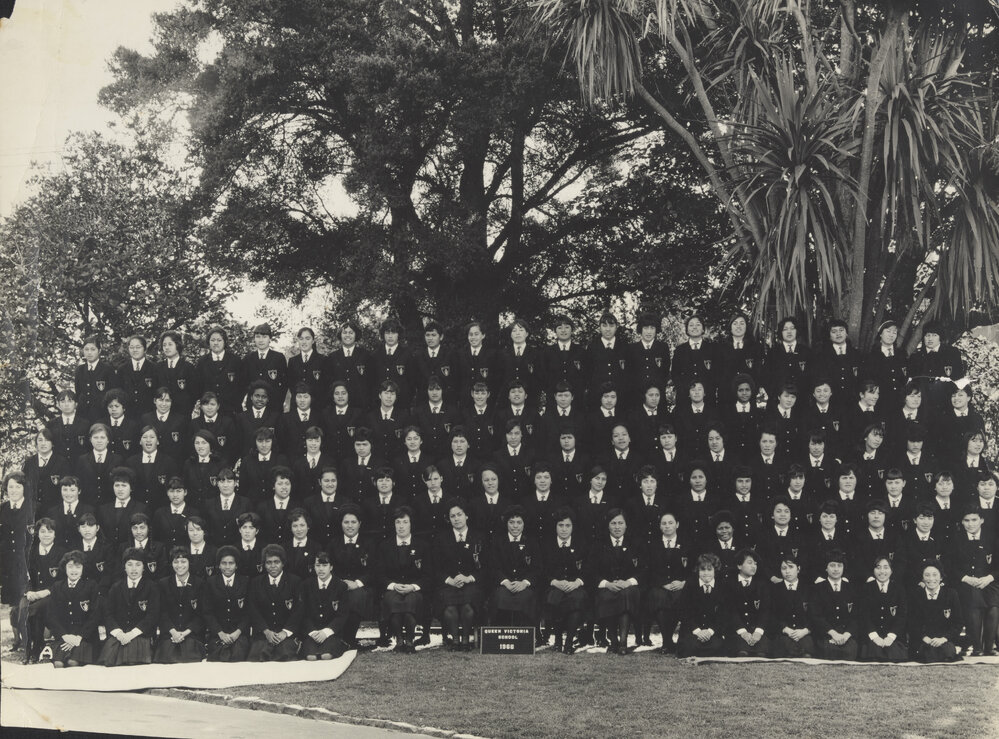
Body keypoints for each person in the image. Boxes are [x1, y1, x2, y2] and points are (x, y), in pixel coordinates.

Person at [376, 506, 432, 652]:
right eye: (398, 522)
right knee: (393, 601)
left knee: (410, 601)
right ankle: (399, 641)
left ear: (411, 524)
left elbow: (428, 575)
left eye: (405, 522)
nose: (401, 526)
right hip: (393, 589)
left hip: (414, 590)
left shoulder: (423, 546)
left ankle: (409, 640)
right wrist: (393, 585)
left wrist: (413, 586)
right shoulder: (384, 546)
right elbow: (379, 574)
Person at [432, 498, 485, 651]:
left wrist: (469, 578)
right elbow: (435, 567)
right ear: (449, 520)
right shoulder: (441, 538)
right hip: (448, 585)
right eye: (452, 516)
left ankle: (466, 639)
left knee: (468, 606)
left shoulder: (479, 537)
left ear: (466, 515)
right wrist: (450, 580)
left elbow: (486, 566)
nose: (456, 519)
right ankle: (455, 640)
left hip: (472, 584)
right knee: (450, 607)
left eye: (459, 514)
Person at [950, 507, 999, 656]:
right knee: (973, 598)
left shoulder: (992, 538)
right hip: (965, 582)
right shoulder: (955, 539)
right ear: (962, 522)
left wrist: (989, 578)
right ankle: (976, 647)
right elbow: (949, 565)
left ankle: (989, 647)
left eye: (974, 520)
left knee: (993, 605)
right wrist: (966, 578)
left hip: (989, 581)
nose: (970, 524)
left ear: (981, 520)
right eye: (966, 520)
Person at [100, 547, 160, 666]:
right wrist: (119, 633)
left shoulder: (152, 587)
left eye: (138, 565)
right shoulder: (116, 587)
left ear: (144, 567)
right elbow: (108, 614)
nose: (133, 569)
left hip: (140, 635)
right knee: (110, 663)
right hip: (119, 635)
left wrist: (132, 634)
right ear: (124, 567)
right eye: (130, 564)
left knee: (132, 662)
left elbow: (152, 615)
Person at [328, 504, 378, 648]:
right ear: (341, 524)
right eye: (346, 522)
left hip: (362, 587)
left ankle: (348, 639)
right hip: (339, 585)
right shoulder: (333, 544)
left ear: (360, 524)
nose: (350, 526)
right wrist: (341, 583)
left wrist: (357, 583)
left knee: (355, 597)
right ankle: (338, 638)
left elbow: (374, 570)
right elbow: (329, 568)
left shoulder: (369, 543)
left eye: (353, 522)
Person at [541, 506, 588, 654]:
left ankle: (568, 642)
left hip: (575, 586)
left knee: (577, 599)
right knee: (554, 597)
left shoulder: (582, 544)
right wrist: (554, 581)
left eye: (568, 525)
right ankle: (558, 640)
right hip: (554, 586)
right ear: (555, 526)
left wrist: (577, 582)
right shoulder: (546, 545)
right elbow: (541, 569)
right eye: (560, 525)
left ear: (573, 527)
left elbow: (589, 569)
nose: (564, 529)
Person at [641, 510, 688, 655]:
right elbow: (647, 570)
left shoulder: (687, 544)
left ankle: (670, 642)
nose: (667, 526)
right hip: (659, 586)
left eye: (670, 523)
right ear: (660, 527)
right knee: (658, 597)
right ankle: (667, 641)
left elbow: (694, 569)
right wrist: (662, 583)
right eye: (664, 523)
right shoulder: (652, 546)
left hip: (680, 586)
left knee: (679, 597)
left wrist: (683, 582)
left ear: (677, 525)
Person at [247, 543, 303, 661]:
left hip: (286, 634)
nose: (273, 566)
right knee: (257, 656)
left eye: (276, 562)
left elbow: (299, 611)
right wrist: (266, 631)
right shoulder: (256, 582)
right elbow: (253, 610)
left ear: (283, 563)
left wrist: (285, 632)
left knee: (285, 655)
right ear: (264, 564)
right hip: (264, 634)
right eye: (268, 562)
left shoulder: (295, 581)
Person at [46, 550, 101, 667]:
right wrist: (64, 636)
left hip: (83, 637)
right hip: (63, 635)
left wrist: (78, 637)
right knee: (58, 664)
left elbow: (95, 616)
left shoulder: (91, 586)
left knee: (73, 663)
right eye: (70, 566)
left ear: (83, 569)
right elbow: (51, 616)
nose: (74, 570)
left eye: (78, 567)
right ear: (64, 568)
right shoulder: (57, 587)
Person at [489, 505, 540, 628]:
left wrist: (524, 583)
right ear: (506, 523)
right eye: (511, 522)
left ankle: (524, 639)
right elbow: (493, 567)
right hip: (504, 585)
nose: (515, 526)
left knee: (526, 598)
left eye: (519, 522)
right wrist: (505, 582)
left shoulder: (532, 542)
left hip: (525, 586)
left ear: (523, 524)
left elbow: (537, 568)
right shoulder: (497, 541)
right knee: (500, 597)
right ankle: (502, 636)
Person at [154, 546, 206, 663]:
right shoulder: (163, 584)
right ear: (171, 564)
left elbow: (201, 614)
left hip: (191, 634)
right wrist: (173, 632)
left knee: (190, 657)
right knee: (167, 658)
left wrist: (185, 633)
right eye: (176, 562)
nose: (179, 565)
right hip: (169, 634)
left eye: (183, 561)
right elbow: (162, 613)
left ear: (189, 563)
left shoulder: (199, 583)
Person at [298, 552, 350, 660]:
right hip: (313, 632)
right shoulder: (306, 585)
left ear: (331, 567)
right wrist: (313, 632)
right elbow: (302, 613)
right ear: (314, 567)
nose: (321, 569)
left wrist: (326, 632)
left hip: (332, 632)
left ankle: (341, 645)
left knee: (326, 655)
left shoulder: (341, 586)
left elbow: (342, 615)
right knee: (310, 657)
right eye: (318, 565)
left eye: (324, 565)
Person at [909, 562, 963, 663]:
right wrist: (924, 637)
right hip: (924, 640)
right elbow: (912, 623)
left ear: (941, 577)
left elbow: (958, 624)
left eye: (935, 575)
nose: (931, 579)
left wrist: (943, 638)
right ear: (922, 578)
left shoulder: (951, 594)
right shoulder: (915, 595)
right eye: (927, 575)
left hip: (943, 639)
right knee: (923, 653)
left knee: (947, 652)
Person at [203, 545, 251, 662]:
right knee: (217, 656)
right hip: (218, 633)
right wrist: (220, 633)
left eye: (231, 563)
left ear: (236, 565)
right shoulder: (210, 582)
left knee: (238, 655)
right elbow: (207, 612)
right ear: (219, 565)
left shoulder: (246, 582)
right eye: (224, 563)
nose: (227, 567)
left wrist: (237, 632)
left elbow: (249, 612)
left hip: (239, 633)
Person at [1, 472, 32, 652]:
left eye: (18, 486)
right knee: (12, 601)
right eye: (11, 486)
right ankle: (16, 639)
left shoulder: (31, 507)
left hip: (25, 561)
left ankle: (27, 637)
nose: (13, 490)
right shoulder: (3, 508)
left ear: (24, 488)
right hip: (7, 563)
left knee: (24, 600)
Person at [857, 556, 908, 662]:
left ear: (891, 570)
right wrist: (875, 637)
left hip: (893, 636)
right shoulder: (866, 588)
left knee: (894, 653)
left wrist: (891, 637)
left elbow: (902, 616)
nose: (882, 571)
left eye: (886, 567)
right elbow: (864, 615)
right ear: (873, 570)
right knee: (873, 652)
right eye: (878, 567)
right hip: (872, 635)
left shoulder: (899, 589)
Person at [811, 549, 859, 660]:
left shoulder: (852, 588)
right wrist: (833, 634)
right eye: (832, 565)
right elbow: (816, 616)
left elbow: (856, 617)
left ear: (844, 567)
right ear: (826, 568)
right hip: (826, 635)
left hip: (846, 636)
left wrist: (846, 635)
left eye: (839, 565)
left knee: (849, 652)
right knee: (829, 652)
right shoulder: (817, 588)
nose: (836, 569)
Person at [676, 553, 726, 657]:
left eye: (709, 569)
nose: (706, 573)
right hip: (692, 630)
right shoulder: (690, 585)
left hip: (712, 631)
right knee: (689, 647)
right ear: (698, 570)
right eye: (702, 570)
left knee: (718, 647)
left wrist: (710, 631)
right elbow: (683, 611)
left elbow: (723, 614)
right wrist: (698, 631)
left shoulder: (722, 586)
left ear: (715, 570)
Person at [724, 548, 771, 657]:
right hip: (737, 630)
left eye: (755, 563)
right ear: (739, 566)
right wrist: (743, 632)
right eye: (749, 563)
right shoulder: (729, 584)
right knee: (742, 652)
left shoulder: (762, 585)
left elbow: (765, 611)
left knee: (761, 653)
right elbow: (730, 611)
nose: (754, 566)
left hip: (757, 630)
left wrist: (758, 632)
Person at [768, 555, 814, 658]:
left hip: (804, 634)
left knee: (807, 652)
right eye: (784, 568)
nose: (787, 571)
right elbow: (771, 615)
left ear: (798, 569)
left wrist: (805, 630)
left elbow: (815, 614)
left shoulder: (809, 589)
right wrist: (785, 629)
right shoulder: (774, 590)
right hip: (783, 634)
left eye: (791, 567)